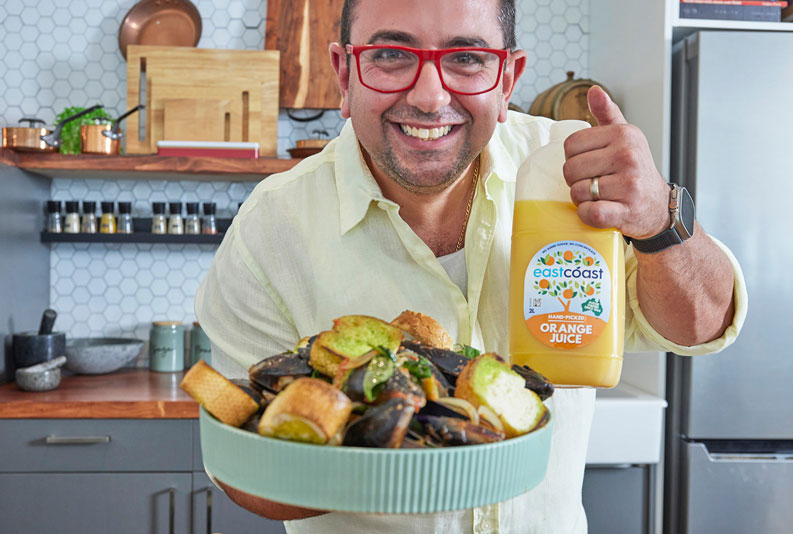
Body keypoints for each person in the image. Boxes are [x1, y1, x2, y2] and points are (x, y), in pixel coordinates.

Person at [195, 0, 747, 532]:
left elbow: (701, 325)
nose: (430, 97)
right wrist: (401, 459)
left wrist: (660, 221)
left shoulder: (576, 173)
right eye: (391, 54)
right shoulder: (269, 227)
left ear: (507, 79)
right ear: (345, 74)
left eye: (466, 58)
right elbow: (244, 475)